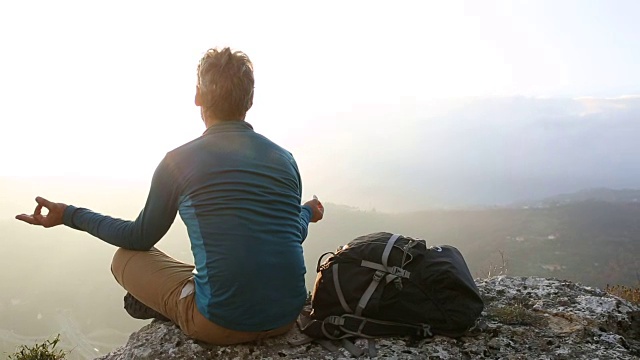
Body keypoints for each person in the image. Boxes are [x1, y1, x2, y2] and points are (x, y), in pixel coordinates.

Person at [15, 47, 324, 345]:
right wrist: (307, 211)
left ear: (198, 96)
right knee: (220, 263)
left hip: (220, 324)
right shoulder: (284, 160)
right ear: (250, 100)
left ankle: (175, 307)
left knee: (126, 258)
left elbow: (138, 237)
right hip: (286, 317)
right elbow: (291, 233)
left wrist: (69, 214)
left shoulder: (179, 161)